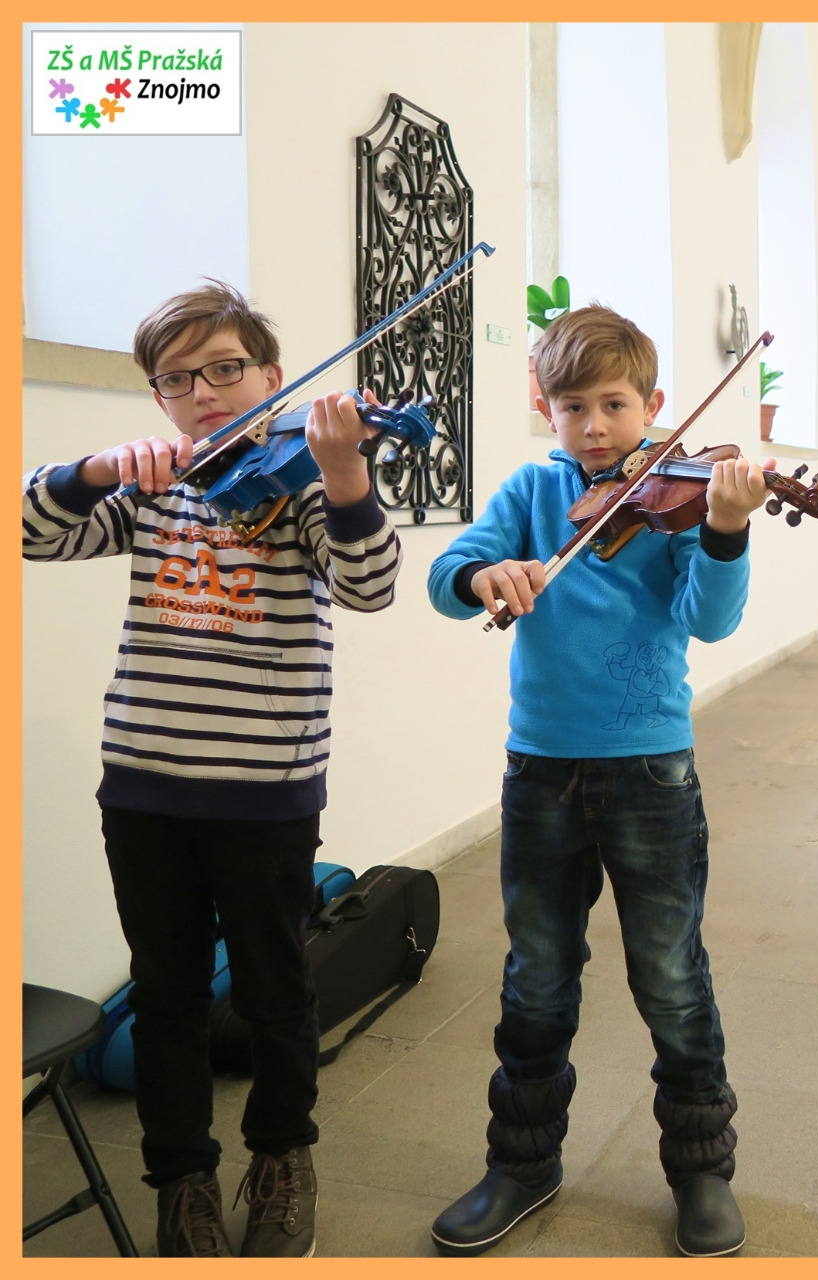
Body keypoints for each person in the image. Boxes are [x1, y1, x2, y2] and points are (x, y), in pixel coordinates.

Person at [22, 281, 405, 1258]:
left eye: (226, 369)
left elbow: (370, 586)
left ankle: (281, 1159)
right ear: (159, 397)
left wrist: (345, 477)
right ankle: (181, 1179)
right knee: (167, 994)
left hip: (266, 792)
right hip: (144, 787)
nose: (204, 392)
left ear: (272, 378)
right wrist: (99, 467)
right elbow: (30, 529)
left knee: (277, 989)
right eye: (177, 379)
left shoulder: (306, 483)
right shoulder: (152, 489)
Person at [426, 304, 772, 1259]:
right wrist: (482, 578)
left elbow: (711, 621)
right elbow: (450, 571)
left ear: (654, 405)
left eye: (614, 405)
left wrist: (726, 528)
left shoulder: (679, 493)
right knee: (536, 977)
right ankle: (522, 1163)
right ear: (546, 408)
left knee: (670, 974)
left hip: (652, 770)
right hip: (540, 768)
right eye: (572, 407)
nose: (594, 427)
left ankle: (700, 1169)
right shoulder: (533, 491)